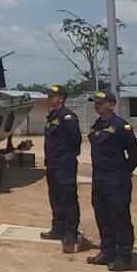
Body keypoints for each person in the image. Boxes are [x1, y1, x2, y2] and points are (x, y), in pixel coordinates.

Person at [85, 89, 137, 269]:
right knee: (102, 215)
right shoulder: (97, 125)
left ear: (111, 105)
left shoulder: (121, 126)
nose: (97, 105)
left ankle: (124, 256)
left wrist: (124, 172)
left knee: (119, 217)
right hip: (99, 178)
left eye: (100, 103)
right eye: (96, 103)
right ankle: (107, 251)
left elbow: (134, 153)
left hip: (116, 179)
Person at [40, 85, 84, 251]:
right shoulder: (52, 117)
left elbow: (75, 141)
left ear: (61, 98)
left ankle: (70, 232)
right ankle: (58, 228)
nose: (49, 99)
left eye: (52, 96)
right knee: (55, 197)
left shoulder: (67, 117)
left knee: (68, 198)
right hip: (52, 164)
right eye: (49, 96)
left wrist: (67, 157)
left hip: (64, 164)